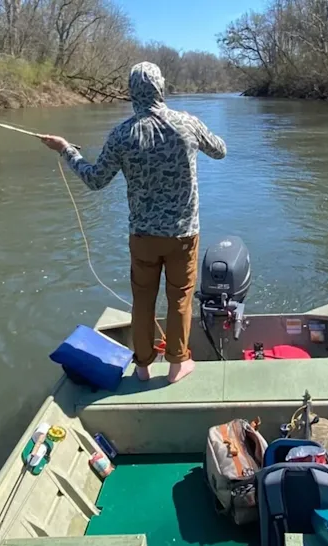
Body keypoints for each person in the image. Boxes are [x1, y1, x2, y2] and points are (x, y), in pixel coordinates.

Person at [39, 62, 227, 383]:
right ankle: (177, 364)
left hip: (142, 237)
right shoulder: (187, 124)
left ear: (131, 92)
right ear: (160, 88)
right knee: (180, 296)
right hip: (183, 235)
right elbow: (220, 151)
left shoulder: (121, 135)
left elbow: (95, 180)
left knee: (142, 300)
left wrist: (66, 150)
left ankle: (142, 366)